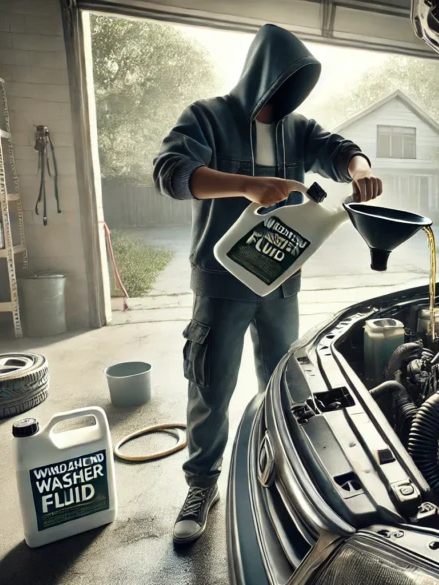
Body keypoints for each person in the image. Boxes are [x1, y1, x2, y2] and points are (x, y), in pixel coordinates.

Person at [153, 24, 382, 545]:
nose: (286, 98)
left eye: (295, 88)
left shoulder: (296, 129)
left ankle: (277, 471)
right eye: (280, 85)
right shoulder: (207, 117)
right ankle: (201, 485)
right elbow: (170, 171)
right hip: (222, 282)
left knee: (282, 384)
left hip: (280, 282)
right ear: (261, 76)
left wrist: (359, 167)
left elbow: (338, 148)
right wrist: (245, 185)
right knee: (211, 388)